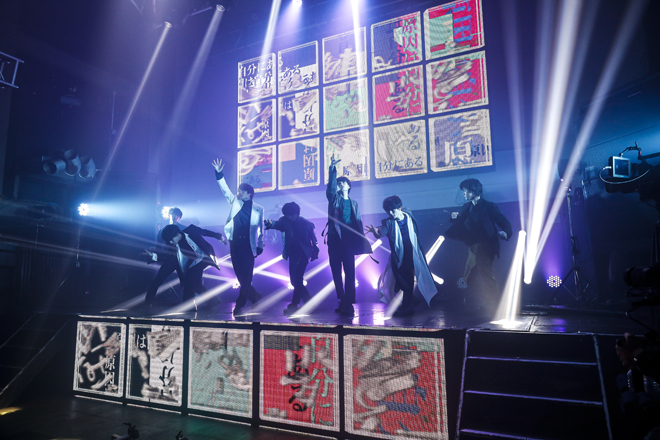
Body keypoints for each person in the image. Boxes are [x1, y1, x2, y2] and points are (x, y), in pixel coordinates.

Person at [445, 178, 512, 313]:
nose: (464, 194)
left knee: (485, 273)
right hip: (473, 247)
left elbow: (503, 221)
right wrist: (453, 217)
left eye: (465, 191)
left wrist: (505, 233)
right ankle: (491, 301)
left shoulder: (488, 206)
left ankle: (495, 304)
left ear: (474, 191)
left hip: (486, 245)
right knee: (469, 279)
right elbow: (460, 222)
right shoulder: (466, 207)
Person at [365, 196, 437, 316]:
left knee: (408, 281)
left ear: (400, 207)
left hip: (413, 255)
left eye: (392, 210)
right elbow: (383, 229)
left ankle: (408, 307)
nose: (390, 213)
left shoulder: (409, 215)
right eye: (388, 211)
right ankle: (411, 302)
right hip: (399, 257)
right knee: (395, 284)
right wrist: (376, 231)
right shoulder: (389, 222)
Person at [212, 158, 265, 316]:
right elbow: (225, 190)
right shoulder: (234, 201)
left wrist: (260, 245)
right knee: (240, 276)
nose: (238, 193)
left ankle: (239, 305)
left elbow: (261, 229)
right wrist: (219, 173)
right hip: (235, 243)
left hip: (249, 245)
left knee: (247, 276)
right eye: (239, 191)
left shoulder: (258, 209)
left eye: (242, 191)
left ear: (249, 194)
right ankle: (254, 295)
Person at [325, 155, 372, 315]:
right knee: (336, 272)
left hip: (349, 242)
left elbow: (357, 221)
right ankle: (342, 299)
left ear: (348, 186)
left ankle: (348, 302)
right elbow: (330, 189)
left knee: (350, 272)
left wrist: (361, 239)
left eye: (343, 182)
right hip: (335, 240)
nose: (340, 184)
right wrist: (332, 169)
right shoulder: (334, 199)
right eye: (338, 183)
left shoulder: (354, 203)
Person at [144, 224, 226, 308]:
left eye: (171, 240)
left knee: (193, 281)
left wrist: (220, 237)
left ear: (177, 234)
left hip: (200, 259)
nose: (170, 242)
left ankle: (191, 305)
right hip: (175, 261)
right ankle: (147, 304)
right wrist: (153, 256)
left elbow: (205, 232)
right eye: (169, 241)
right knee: (158, 281)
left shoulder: (192, 230)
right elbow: (168, 256)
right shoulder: (171, 244)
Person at [264, 202, 319, 315]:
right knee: (295, 280)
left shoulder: (306, 224)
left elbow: (314, 240)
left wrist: (314, 253)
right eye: (287, 215)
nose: (289, 217)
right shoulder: (284, 221)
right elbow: (276, 224)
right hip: (292, 254)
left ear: (297, 213)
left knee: (297, 279)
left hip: (303, 254)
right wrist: (270, 223)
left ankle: (295, 304)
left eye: (291, 215)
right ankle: (307, 303)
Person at [144, 207, 186, 306]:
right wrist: (155, 255)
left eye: (176, 215)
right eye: (173, 214)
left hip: (181, 259)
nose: (174, 217)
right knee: (157, 281)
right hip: (170, 259)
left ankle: (191, 303)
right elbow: (158, 245)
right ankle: (147, 303)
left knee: (187, 282)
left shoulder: (184, 229)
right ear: (169, 215)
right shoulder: (163, 230)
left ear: (179, 217)